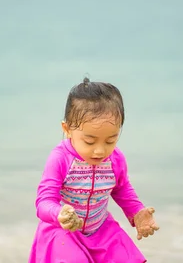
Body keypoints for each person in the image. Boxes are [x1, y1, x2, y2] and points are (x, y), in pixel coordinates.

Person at [29, 77, 159, 263]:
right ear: (67, 129)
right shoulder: (60, 159)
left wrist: (137, 213)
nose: (100, 150)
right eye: (89, 141)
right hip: (64, 232)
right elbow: (43, 202)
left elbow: (121, 189)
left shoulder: (115, 159)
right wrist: (60, 214)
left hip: (101, 230)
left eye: (110, 140)